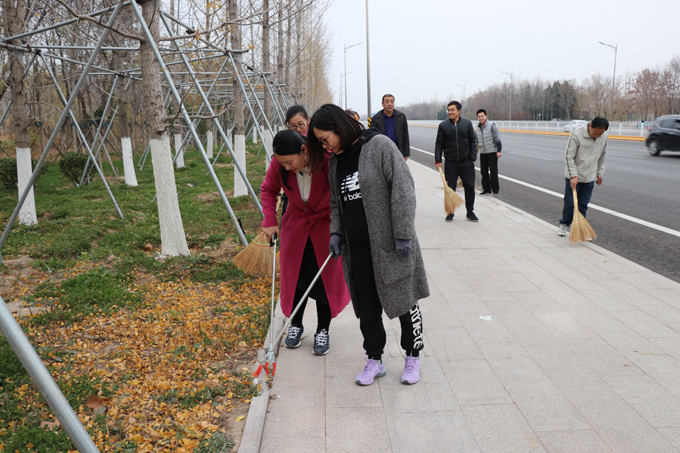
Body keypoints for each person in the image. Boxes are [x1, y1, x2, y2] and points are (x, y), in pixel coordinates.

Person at [307, 104, 430, 386]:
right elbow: (336, 202)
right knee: (367, 307)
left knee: (404, 299)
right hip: (358, 248)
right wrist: (336, 233)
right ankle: (374, 358)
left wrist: (403, 234)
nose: (325, 146)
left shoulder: (379, 146)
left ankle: (413, 356)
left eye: (325, 139)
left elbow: (403, 188)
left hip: (392, 244)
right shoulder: (336, 161)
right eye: (321, 143)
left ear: (338, 127)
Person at [260, 130, 350, 355]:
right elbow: (268, 189)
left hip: (326, 225)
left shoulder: (326, 160)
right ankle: (296, 325)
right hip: (296, 226)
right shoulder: (280, 164)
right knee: (296, 278)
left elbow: (342, 194)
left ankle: (323, 330)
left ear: (304, 150)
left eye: (290, 162)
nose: (286, 167)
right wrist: (270, 220)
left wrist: (343, 228)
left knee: (325, 280)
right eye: (282, 163)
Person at [558, 117, 609, 238]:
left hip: (590, 176)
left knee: (583, 204)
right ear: (590, 126)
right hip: (574, 176)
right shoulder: (577, 135)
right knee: (570, 203)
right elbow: (569, 157)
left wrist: (600, 173)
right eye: (595, 133)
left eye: (600, 134)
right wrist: (573, 175)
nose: (597, 136)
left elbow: (602, 156)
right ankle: (564, 223)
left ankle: (580, 228)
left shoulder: (604, 136)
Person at [434, 101, 479, 221]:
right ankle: (450, 212)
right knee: (450, 188)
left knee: (469, 187)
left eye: (452, 110)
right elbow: (439, 144)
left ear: (459, 111)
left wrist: (472, 158)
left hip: (466, 162)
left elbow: (473, 141)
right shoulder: (443, 125)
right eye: (448, 110)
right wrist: (438, 160)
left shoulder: (467, 123)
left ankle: (470, 211)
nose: (450, 112)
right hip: (451, 162)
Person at [370, 94, 411, 160]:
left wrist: (406, 154)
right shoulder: (375, 118)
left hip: (398, 151)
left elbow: (405, 135)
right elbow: (371, 138)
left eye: (392, 102)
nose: (389, 104)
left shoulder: (401, 116)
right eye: (387, 102)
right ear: (382, 104)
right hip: (381, 152)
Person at [475, 109, 503, 197]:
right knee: (483, 172)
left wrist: (499, 150)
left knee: (493, 172)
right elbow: (476, 142)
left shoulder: (492, 126)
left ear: (486, 116)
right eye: (479, 117)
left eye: (482, 116)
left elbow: (497, 138)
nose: (481, 118)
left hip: (492, 152)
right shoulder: (477, 129)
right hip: (483, 153)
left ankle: (495, 190)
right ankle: (486, 190)